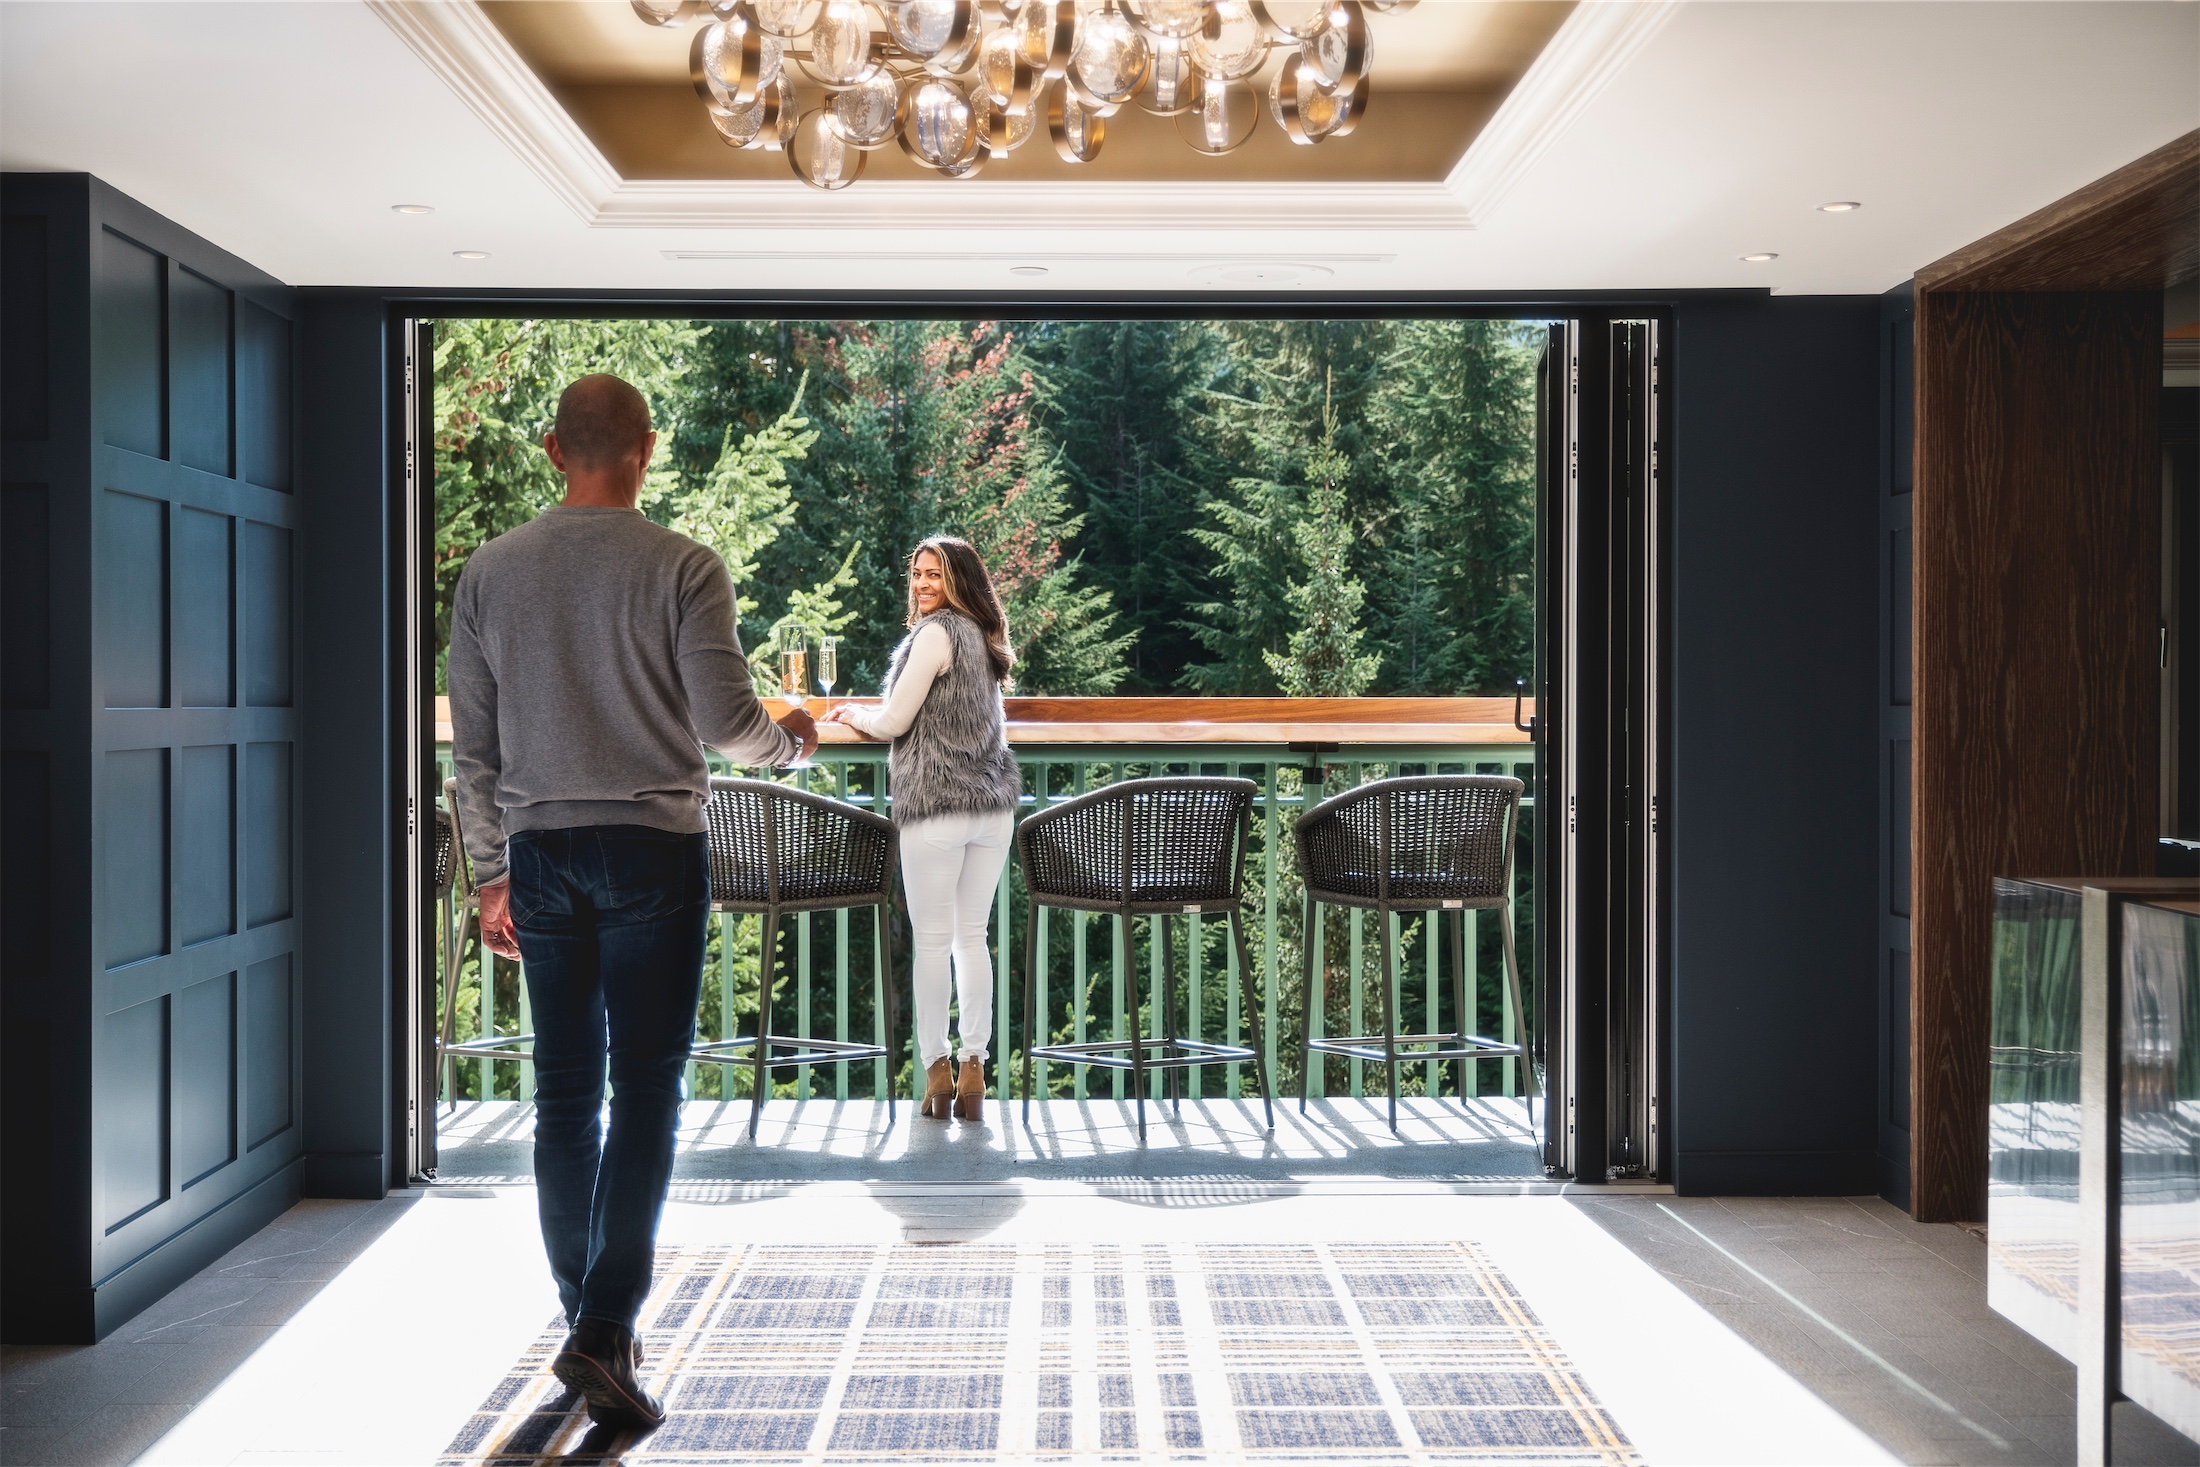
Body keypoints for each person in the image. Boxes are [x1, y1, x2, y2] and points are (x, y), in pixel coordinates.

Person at [448, 374, 817, 1430]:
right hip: (654, 849)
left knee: (565, 1093)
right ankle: (606, 1326)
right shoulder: (683, 566)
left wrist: (488, 872)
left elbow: (475, 750)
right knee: (647, 1086)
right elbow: (727, 721)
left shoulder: (490, 572)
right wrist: (792, 743)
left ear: (553, 449)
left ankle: (589, 1323)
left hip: (539, 851)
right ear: (645, 449)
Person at [824, 536, 1020, 1122]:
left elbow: (892, 721)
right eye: (917, 573)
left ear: (959, 580)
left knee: (934, 943)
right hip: (991, 807)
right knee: (972, 940)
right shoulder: (982, 636)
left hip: (937, 805)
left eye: (935, 574)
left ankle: (937, 1069)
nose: (922, 584)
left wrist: (851, 713)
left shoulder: (935, 634)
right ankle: (975, 1067)